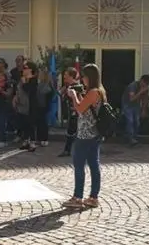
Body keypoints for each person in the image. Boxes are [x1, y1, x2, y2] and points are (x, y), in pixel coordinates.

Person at [61, 64, 105, 209]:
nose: (82, 79)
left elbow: (80, 109)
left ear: (89, 77)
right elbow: (87, 107)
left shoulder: (93, 92)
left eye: (84, 76)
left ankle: (77, 197)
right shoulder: (100, 90)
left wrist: (73, 95)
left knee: (79, 165)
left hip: (85, 134)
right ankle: (93, 197)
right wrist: (79, 94)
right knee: (94, 165)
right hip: (95, 133)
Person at [14, 61, 39, 152]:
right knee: (24, 123)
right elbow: (18, 89)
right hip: (22, 105)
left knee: (30, 124)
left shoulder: (34, 79)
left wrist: (25, 83)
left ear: (30, 69)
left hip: (31, 105)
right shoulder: (21, 79)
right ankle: (26, 141)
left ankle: (32, 142)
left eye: (25, 68)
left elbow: (29, 90)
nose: (23, 69)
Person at [58, 67, 83, 158]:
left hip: (77, 113)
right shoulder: (68, 86)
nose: (64, 77)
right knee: (71, 132)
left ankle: (70, 150)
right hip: (71, 112)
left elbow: (81, 100)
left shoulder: (77, 87)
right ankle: (67, 150)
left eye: (66, 75)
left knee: (76, 132)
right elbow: (60, 94)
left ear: (71, 76)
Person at [121, 75, 149, 146]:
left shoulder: (145, 89)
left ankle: (134, 138)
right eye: (146, 83)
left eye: (148, 84)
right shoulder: (133, 86)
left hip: (136, 105)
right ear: (141, 81)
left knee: (137, 122)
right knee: (130, 120)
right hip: (127, 105)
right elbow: (131, 99)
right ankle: (130, 139)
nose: (146, 85)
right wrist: (141, 91)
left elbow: (145, 99)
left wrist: (144, 110)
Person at [35, 69, 57, 147]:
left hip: (45, 107)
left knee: (44, 123)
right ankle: (39, 138)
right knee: (39, 123)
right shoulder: (39, 84)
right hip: (38, 106)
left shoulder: (48, 86)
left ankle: (44, 139)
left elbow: (49, 95)